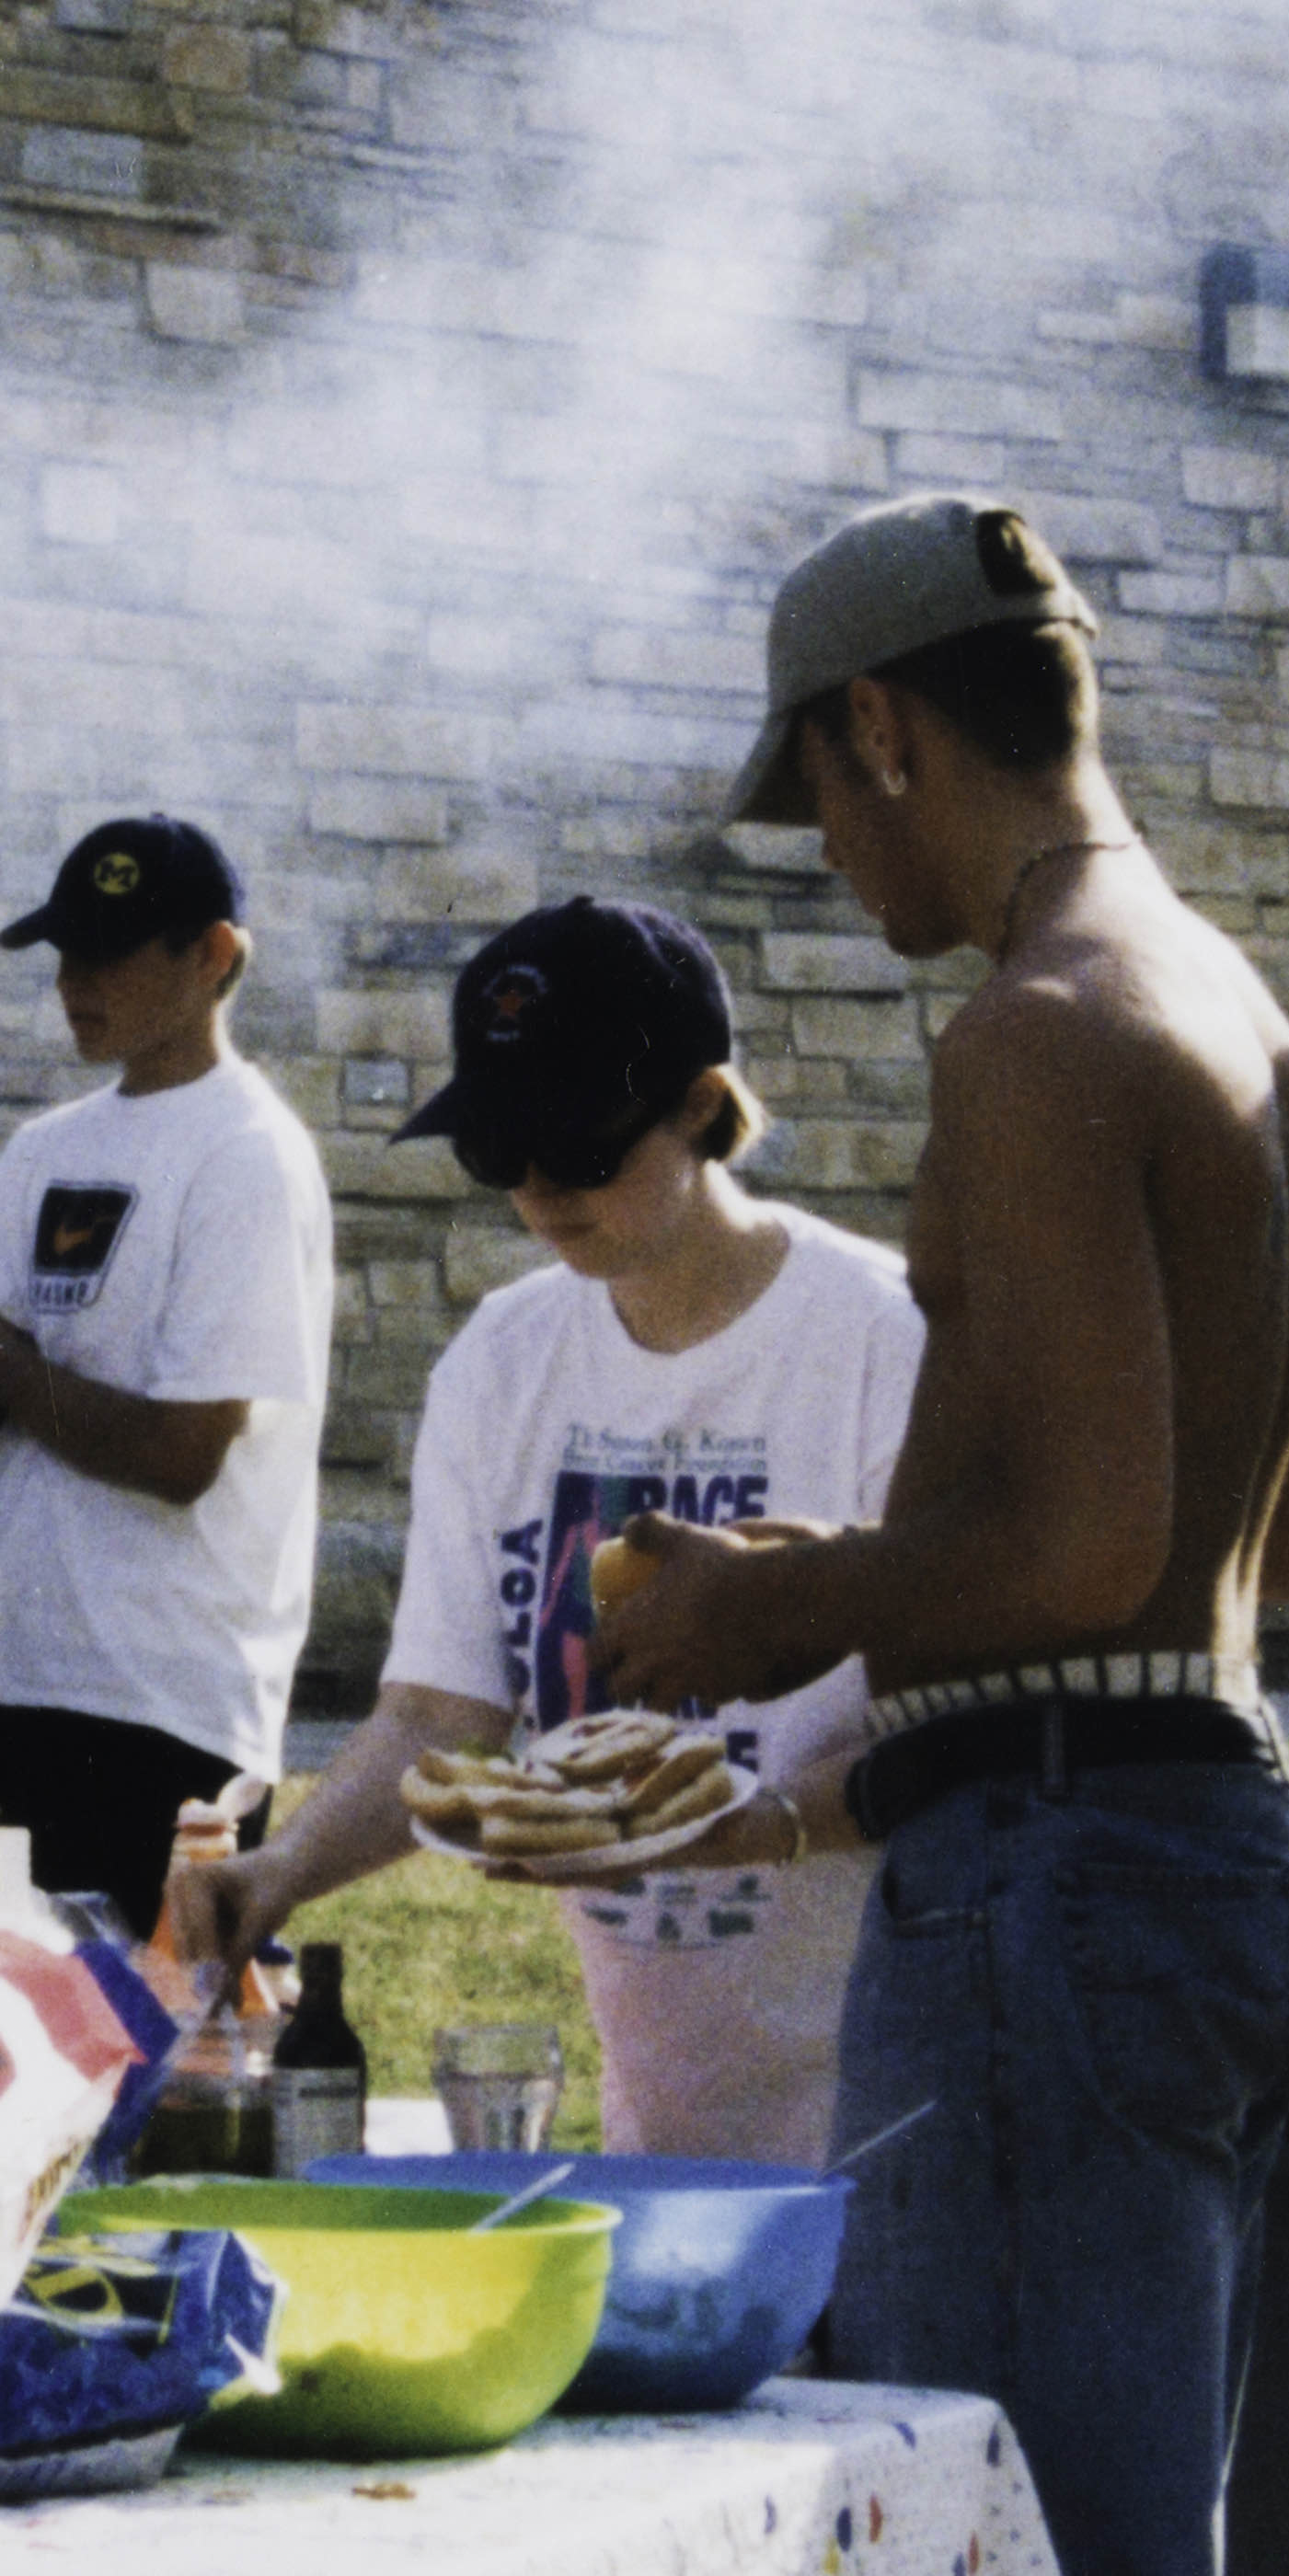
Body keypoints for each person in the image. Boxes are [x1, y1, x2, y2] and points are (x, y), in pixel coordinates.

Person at [586, 492, 1289, 2576]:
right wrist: (878, 1552)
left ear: (881, 728)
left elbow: (1080, 1540)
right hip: (1206, 1836)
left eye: (822, 800)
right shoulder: (1228, 1002)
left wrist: (747, 1606)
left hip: (1053, 1876)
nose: (832, 856)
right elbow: (1270, 1523)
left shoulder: (1028, 1030)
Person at [174, 899, 923, 2166]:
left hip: (889, 2076)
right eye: (495, 1150)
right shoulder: (503, 1360)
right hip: (661, 2103)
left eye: (572, 1145)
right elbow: (438, 1715)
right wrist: (281, 1869)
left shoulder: (879, 1335)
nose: (532, 1190)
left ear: (700, 1103)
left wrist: (742, 1824)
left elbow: (945, 1733)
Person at [0, 811, 335, 1938]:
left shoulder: (247, 1151)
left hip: (164, 1701)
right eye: (63, 953)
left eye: (107, 952)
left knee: (140, 2072)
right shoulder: (43, 1147)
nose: (72, 981)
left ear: (213, 955)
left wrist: (5, 1353)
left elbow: (178, 1453)